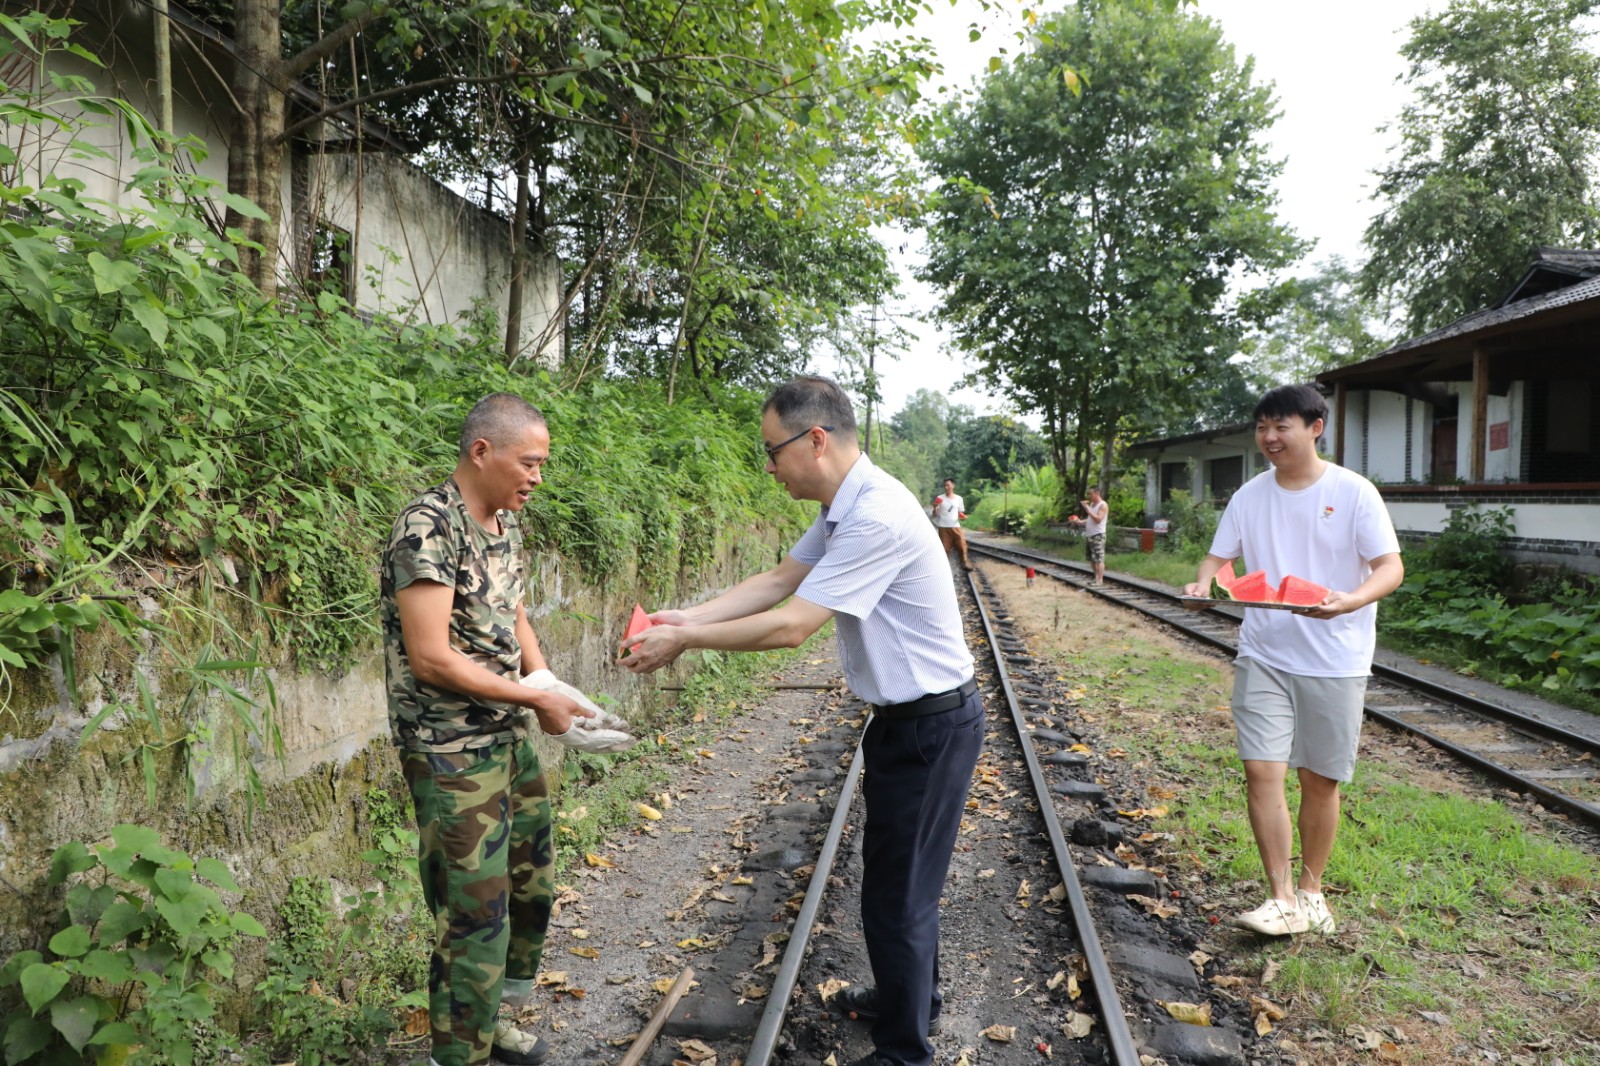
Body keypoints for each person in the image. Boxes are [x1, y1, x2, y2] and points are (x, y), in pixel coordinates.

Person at [620, 376, 983, 1066]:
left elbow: (791, 625)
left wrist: (686, 641)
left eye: (772, 450)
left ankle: (905, 1051)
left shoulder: (875, 514)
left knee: (898, 894)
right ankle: (911, 998)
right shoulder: (846, 507)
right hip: (911, 723)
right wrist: (684, 617)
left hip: (929, 728)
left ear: (815, 439)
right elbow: (778, 581)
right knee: (899, 882)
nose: (769, 466)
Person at [381, 392, 633, 1066]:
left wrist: (546, 682)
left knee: (530, 884)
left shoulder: (504, 522)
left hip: (505, 737)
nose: (537, 477)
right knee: (474, 913)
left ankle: (490, 1024)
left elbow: (513, 610)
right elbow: (431, 657)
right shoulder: (428, 526)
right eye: (529, 462)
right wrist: (533, 699)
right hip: (449, 750)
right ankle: (458, 1053)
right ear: (481, 451)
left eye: (542, 464)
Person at [1182, 384, 1403, 937]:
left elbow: (1390, 567)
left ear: (1314, 427)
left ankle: (1311, 891)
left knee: (1319, 781)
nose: (1270, 437)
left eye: (1281, 426)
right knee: (1261, 770)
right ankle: (1280, 898)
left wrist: (1351, 600)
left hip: (1336, 658)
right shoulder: (1249, 496)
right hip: (1264, 653)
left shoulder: (1354, 492)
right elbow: (1218, 558)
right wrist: (1204, 584)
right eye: (1262, 428)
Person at [1066, 486, 1109, 585]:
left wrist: (1087, 509)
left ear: (1097, 493)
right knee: (1092, 559)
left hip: (1098, 535)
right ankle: (1096, 577)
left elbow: (1098, 519)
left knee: (1099, 559)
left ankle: (1100, 580)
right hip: (1090, 535)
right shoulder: (1093, 504)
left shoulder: (1103, 505)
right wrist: (1080, 522)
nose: (1089, 496)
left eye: (1090, 494)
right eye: (1088, 494)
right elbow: (1091, 518)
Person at [930, 477, 971, 570]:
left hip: (956, 526)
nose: (946, 487)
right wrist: (935, 507)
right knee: (945, 549)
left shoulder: (959, 499)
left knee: (962, 545)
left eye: (948, 485)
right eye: (945, 485)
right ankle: (944, 568)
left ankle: (964, 563)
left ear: (953, 485)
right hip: (943, 527)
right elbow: (935, 514)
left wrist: (963, 517)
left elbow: (960, 513)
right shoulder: (940, 498)